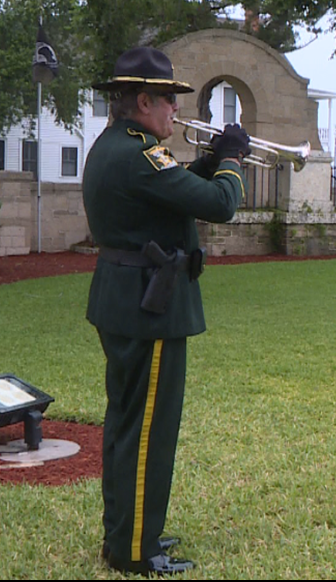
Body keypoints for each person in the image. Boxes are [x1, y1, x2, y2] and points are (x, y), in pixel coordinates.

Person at [83, 46, 249, 576]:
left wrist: (206, 162)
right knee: (148, 430)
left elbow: (170, 193)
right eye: (169, 102)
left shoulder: (116, 148)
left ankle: (129, 533)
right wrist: (231, 159)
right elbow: (220, 203)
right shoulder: (140, 154)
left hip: (125, 299)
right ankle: (136, 549)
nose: (176, 112)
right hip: (148, 306)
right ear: (143, 100)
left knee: (127, 422)